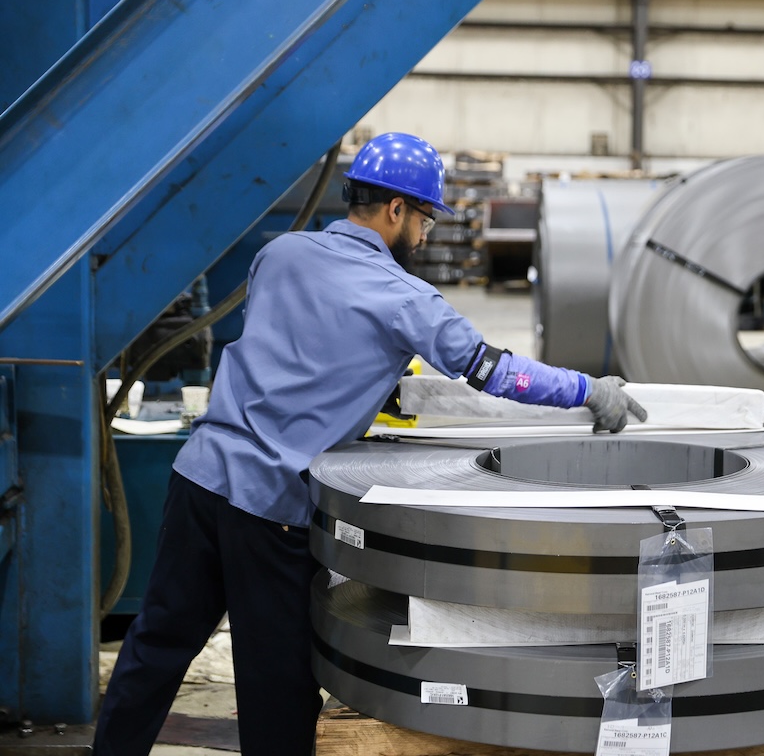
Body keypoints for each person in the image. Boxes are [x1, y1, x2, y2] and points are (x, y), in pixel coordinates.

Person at [93, 132, 647, 756]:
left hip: (198, 479)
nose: (427, 234)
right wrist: (587, 389)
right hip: (270, 511)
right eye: (425, 219)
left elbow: (293, 350)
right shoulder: (405, 298)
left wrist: (361, 384)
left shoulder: (280, 253)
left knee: (157, 644)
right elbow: (497, 372)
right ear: (395, 210)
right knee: (275, 685)